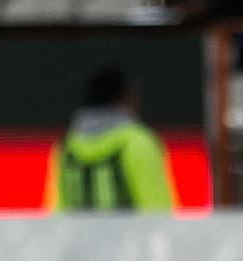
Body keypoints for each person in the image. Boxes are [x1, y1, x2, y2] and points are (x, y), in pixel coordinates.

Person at [45, 67, 175, 211]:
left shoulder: (66, 147)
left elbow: (57, 215)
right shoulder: (138, 143)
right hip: (131, 234)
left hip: (80, 234)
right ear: (126, 99)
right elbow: (158, 212)